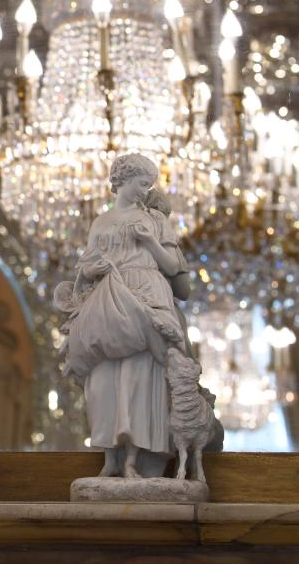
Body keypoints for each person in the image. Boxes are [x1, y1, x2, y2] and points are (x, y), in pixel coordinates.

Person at [54, 153, 189, 478]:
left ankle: (135, 458)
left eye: (149, 185)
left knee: (139, 377)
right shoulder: (101, 222)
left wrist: (150, 241)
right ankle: (111, 457)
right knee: (103, 377)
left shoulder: (156, 220)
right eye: (142, 183)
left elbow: (173, 267)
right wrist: (90, 271)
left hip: (146, 294)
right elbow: (84, 269)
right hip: (107, 297)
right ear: (123, 181)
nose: (146, 190)